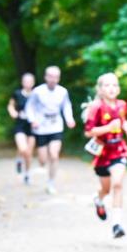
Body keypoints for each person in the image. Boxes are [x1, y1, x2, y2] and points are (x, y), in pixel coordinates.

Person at [83, 72, 127, 239]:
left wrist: (126, 125)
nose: (111, 88)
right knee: (106, 188)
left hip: (118, 149)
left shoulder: (122, 104)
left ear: (118, 89)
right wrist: (108, 128)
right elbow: (89, 131)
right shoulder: (96, 107)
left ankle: (117, 224)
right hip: (102, 153)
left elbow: (122, 119)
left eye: (115, 85)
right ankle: (98, 199)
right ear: (100, 89)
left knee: (117, 184)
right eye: (107, 85)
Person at [24, 65, 76, 194]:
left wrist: (69, 119)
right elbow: (29, 107)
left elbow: (66, 106)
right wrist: (32, 120)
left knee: (54, 155)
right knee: (42, 159)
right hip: (41, 127)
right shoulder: (37, 91)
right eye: (51, 76)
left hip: (56, 126)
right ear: (46, 77)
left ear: (59, 78)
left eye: (56, 77)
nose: (53, 79)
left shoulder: (63, 91)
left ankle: (51, 182)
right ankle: (41, 166)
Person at [8, 72, 37, 184]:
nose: (28, 83)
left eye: (30, 81)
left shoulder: (36, 94)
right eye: (25, 81)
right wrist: (13, 112)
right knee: (23, 148)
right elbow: (10, 105)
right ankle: (19, 159)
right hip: (20, 124)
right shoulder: (17, 94)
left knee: (29, 152)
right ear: (22, 82)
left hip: (32, 126)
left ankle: (27, 174)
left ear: (33, 83)